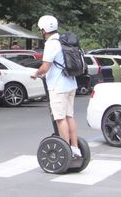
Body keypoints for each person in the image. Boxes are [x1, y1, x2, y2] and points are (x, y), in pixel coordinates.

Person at [31, 15, 81, 158]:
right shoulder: (63, 40)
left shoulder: (51, 43)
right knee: (69, 116)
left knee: (60, 118)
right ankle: (74, 147)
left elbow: (45, 67)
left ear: (44, 30)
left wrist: (36, 74)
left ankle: (66, 150)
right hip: (71, 83)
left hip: (58, 86)